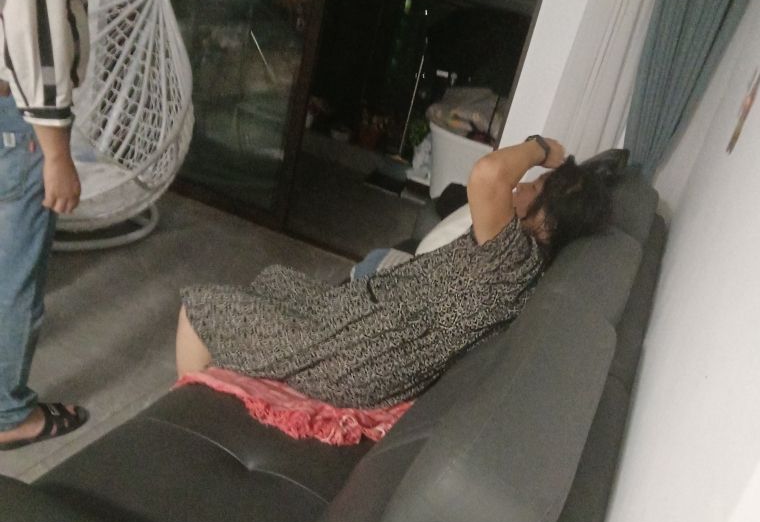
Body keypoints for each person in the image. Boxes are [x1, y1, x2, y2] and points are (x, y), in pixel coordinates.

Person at [176, 135, 613, 408]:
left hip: (361, 355)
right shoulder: (522, 265)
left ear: (548, 220)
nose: (519, 187)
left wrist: (540, 149)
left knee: (199, 310)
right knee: (276, 279)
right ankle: (228, 376)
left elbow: (488, 174)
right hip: (368, 333)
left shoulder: (514, 258)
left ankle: (187, 411)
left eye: (533, 188)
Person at [0, 0, 102, 451]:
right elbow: (34, 37)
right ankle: (7, 415)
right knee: (15, 273)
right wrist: (57, 154)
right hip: (12, 115)